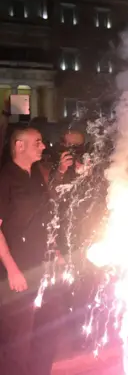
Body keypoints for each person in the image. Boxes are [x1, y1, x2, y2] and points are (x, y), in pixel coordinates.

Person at [0, 127, 61, 375]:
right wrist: (12, 269)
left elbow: (44, 218)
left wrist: (55, 250)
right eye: (37, 141)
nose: (43, 146)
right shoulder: (5, 179)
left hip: (44, 266)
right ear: (19, 145)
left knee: (47, 330)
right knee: (18, 339)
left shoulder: (36, 174)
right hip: (19, 269)